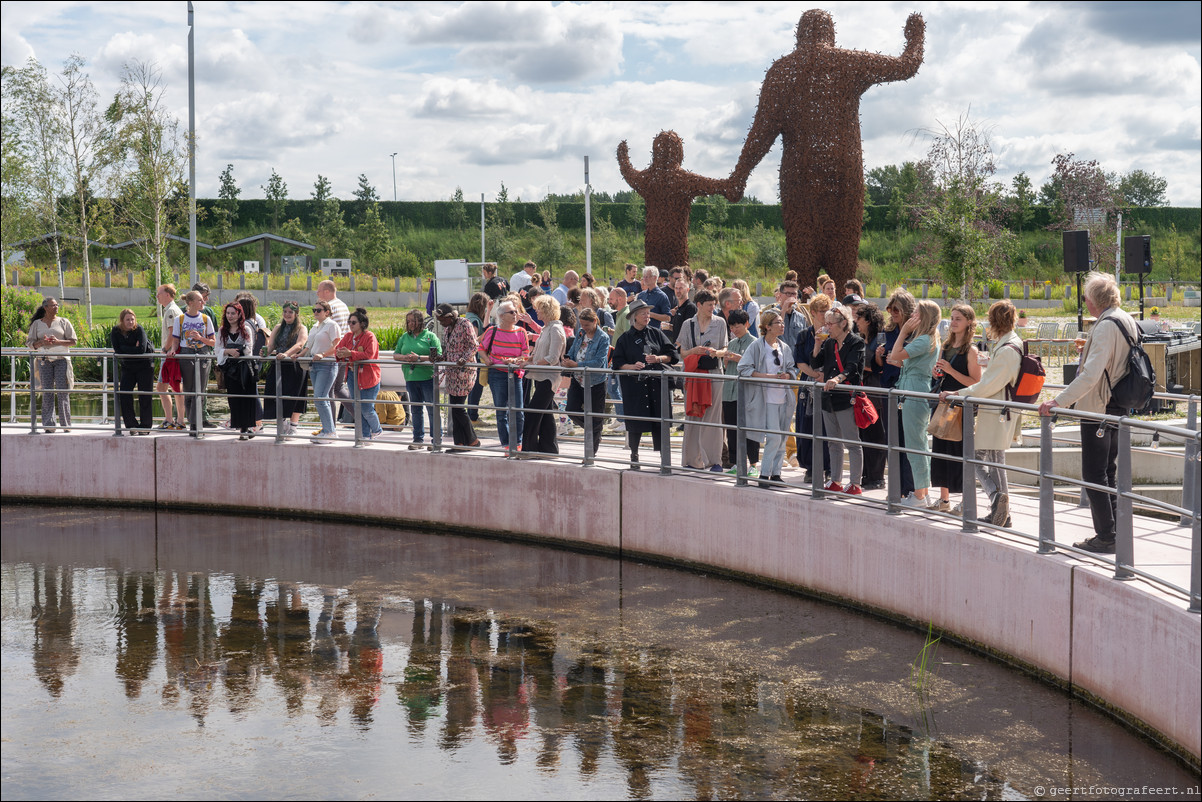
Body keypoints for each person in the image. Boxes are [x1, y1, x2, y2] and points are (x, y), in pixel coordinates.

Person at [730, 8, 924, 288]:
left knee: (802, 273)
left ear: (799, 34)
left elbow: (761, 133)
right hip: (844, 179)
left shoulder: (782, 71)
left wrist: (739, 176)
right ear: (831, 32)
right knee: (844, 274)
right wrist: (915, 33)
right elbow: (907, 66)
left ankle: (802, 322)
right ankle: (845, 317)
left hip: (800, 181)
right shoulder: (848, 63)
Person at [1039, 272, 1139, 554]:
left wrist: (1057, 401)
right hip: (1117, 404)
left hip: (1099, 406)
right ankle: (1117, 531)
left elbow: (1092, 375)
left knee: (1094, 473)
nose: (1084, 301)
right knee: (1108, 469)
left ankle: (1107, 536)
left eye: (1085, 297)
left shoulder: (1106, 326)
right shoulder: (1125, 318)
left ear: (1095, 300)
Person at [942, 300, 1022, 527]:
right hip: (1000, 410)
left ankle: (997, 499)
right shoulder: (1012, 343)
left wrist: (957, 393)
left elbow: (988, 385)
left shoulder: (1007, 348)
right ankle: (1002, 512)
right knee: (996, 462)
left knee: (977, 459)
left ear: (995, 321)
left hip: (997, 411)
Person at [616, 132, 740, 271]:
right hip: (676, 244)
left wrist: (622, 155)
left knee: (653, 276)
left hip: (653, 244)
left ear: (655, 152)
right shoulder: (684, 179)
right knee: (678, 277)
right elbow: (721, 187)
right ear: (679, 153)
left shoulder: (647, 179)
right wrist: (736, 180)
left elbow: (628, 173)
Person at [611, 297, 680, 467]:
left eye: (648, 313)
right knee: (635, 423)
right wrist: (632, 366)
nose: (647, 316)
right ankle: (634, 455)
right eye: (643, 313)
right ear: (634, 316)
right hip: (635, 387)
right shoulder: (624, 339)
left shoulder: (656, 333)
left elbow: (673, 355)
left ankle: (665, 458)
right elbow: (617, 364)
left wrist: (658, 358)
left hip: (656, 385)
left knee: (661, 422)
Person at [928, 305, 981, 512]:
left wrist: (950, 370)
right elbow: (943, 375)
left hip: (961, 405)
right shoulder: (946, 345)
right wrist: (937, 373)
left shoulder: (971, 350)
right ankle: (944, 499)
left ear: (969, 321)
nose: (953, 322)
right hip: (943, 402)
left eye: (958, 318)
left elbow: (975, 381)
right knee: (940, 451)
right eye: (952, 318)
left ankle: (966, 500)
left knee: (960, 453)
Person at [889, 299, 942, 508]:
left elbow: (895, 355)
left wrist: (902, 332)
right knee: (917, 443)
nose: (912, 317)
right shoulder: (926, 339)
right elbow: (899, 359)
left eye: (916, 314)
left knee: (915, 444)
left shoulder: (923, 340)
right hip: (913, 387)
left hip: (914, 390)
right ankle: (923, 492)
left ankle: (919, 495)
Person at [737, 309, 798, 488]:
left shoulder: (784, 347)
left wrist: (787, 375)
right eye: (778, 322)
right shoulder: (757, 346)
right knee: (774, 437)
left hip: (784, 398)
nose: (782, 325)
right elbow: (744, 368)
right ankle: (765, 474)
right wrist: (767, 377)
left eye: (782, 322)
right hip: (766, 399)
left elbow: (791, 368)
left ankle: (776, 474)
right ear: (768, 327)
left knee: (782, 437)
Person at [810, 305, 866, 494]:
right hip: (828, 396)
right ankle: (835, 480)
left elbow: (852, 367)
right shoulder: (829, 343)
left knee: (852, 441)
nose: (828, 327)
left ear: (843, 323)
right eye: (826, 323)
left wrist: (837, 379)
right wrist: (817, 343)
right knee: (833, 442)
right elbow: (816, 364)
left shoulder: (856, 342)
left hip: (846, 396)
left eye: (830, 324)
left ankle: (855, 483)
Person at [676, 289, 729, 471]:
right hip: (693, 375)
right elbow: (682, 352)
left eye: (714, 305)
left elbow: (725, 348)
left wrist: (716, 353)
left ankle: (714, 461)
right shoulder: (687, 324)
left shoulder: (720, 322)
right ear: (699, 305)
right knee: (693, 415)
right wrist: (694, 351)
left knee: (713, 418)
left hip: (714, 372)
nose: (712, 308)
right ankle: (692, 459)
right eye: (709, 305)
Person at [877, 289, 917, 497]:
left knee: (907, 440)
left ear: (906, 310)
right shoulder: (890, 331)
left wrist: (898, 361)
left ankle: (908, 488)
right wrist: (880, 355)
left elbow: (914, 363)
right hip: (889, 389)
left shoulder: (916, 334)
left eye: (896, 309)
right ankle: (895, 487)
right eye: (890, 309)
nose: (892, 313)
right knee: (892, 440)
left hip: (907, 390)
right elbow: (882, 364)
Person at [479, 300, 531, 451]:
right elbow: (481, 348)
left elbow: (526, 353)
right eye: (512, 312)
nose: (515, 314)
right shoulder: (492, 331)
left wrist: (515, 360)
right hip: (497, 373)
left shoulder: (521, 331)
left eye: (515, 311)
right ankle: (507, 444)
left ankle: (518, 443)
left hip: (515, 373)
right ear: (501, 316)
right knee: (501, 411)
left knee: (518, 411)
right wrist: (488, 360)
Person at [520, 295, 567, 456]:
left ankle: (529, 448)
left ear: (546, 310)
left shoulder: (555, 329)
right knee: (545, 415)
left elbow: (553, 358)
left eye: (538, 309)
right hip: (540, 376)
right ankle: (549, 448)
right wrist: (527, 359)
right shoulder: (547, 328)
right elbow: (540, 353)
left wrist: (530, 363)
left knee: (533, 413)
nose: (536, 312)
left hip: (549, 377)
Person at [563, 307, 611, 455]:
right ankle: (595, 431)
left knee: (596, 417)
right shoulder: (580, 333)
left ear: (595, 321)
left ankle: (590, 453)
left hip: (596, 381)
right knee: (571, 410)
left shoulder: (603, 338)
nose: (584, 328)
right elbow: (573, 351)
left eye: (587, 325)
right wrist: (568, 359)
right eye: (582, 324)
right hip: (578, 379)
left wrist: (577, 365)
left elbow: (598, 362)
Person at [393, 308, 443, 450]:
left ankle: (436, 441)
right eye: (408, 321)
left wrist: (419, 358)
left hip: (427, 377)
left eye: (413, 321)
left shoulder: (430, 336)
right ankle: (418, 439)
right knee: (416, 409)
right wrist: (406, 358)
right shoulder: (404, 337)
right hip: (411, 377)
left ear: (419, 321)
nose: (410, 324)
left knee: (432, 409)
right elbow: (396, 354)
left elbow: (438, 356)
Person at [26, 297, 77, 432]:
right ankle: (49, 425)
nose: (56, 307)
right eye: (53, 305)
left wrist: (57, 342)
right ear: (45, 308)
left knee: (62, 391)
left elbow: (73, 341)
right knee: (47, 391)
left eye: (57, 305)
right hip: (44, 360)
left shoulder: (64, 322)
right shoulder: (37, 324)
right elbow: (30, 343)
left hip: (61, 359)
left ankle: (66, 425)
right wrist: (42, 343)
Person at [435, 303, 480, 451]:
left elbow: (474, 346)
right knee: (454, 407)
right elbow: (449, 350)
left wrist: (464, 359)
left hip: (464, 371)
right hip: (452, 372)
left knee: (458, 407)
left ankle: (472, 440)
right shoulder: (448, 328)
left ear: (450, 317)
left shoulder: (465, 324)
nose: (441, 323)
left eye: (442, 320)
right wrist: (441, 357)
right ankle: (459, 443)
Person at [721, 309, 760, 477]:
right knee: (732, 429)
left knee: (749, 429)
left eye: (738, 326)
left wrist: (738, 358)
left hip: (746, 393)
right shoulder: (731, 343)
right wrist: (725, 359)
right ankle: (736, 462)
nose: (735, 329)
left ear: (747, 325)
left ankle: (753, 464)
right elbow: (727, 367)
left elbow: (757, 367)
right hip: (729, 391)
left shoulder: (755, 343)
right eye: (732, 326)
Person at [335, 308, 384, 441]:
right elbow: (338, 349)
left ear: (362, 324)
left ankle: (377, 429)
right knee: (358, 406)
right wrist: (340, 353)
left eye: (353, 322)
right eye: (349, 322)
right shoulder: (348, 337)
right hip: (352, 376)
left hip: (368, 377)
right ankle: (365, 435)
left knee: (366, 407)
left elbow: (369, 354)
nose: (350, 325)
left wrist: (350, 354)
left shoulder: (369, 336)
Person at [853, 303, 888, 489]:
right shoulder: (860, 339)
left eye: (859, 318)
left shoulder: (879, 341)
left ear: (868, 320)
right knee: (863, 436)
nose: (856, 321)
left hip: (875, 393)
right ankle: (866, 475)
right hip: (862, 392)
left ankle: (877, 477)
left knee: (876, 437)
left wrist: (859, 367)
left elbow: (880, 367)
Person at [171, 290, 216, 431]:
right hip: (186, 354)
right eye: (199, 300)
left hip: (202, 353)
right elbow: (176, 339)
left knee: (200, 390)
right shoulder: (180, 319)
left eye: (202, 300)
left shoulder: (205, 319)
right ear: (190, 303)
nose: (203, 302)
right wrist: (173, 350)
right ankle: (193, 422)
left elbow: (213, 342)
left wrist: (200, 338)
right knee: (189, 390)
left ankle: (197, 422)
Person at [263, 301, 310, 436]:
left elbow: (300, 344)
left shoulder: (302, 328)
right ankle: (283, 423)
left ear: (296, 314)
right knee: (273, 393)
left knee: (294, 395)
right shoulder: (278, 327)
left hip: (293, 365)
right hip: (278, 364)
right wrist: (265, 352)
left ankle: (293, 426)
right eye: (285, 312)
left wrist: (286, 354)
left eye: (290, 312)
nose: (287, 314)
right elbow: (271, 345)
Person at [216, 301, 258, 440]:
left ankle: (246, 429)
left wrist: (237, 351)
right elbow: (217, 350)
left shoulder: (245, 329)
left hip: (244, 368)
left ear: (239, 314)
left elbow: (249, 348)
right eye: (228, 313)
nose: (230, 316)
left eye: (233, 313)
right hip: (230, 370)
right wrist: (228, 351)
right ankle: (240, 426)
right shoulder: (222, 330)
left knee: (246, 398)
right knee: (233, 399)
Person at [111, 309, 154, 434]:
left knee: (145, 395)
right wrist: (129, 348)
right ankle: (131, 425)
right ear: (122, 321)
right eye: (127, 320)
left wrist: (125, 348)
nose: (130, 322)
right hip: (128, 367)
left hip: (144, 366)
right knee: (124, 394)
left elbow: (141, 349)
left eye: (132, 319)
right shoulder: (116, 331)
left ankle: (145, 426)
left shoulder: (139, 330)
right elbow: (117, 350)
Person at [305, 300, 342, 441]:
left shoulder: (332, 325)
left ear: (327, 312)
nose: (315, 312)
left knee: (320, 397)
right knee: (320, 398)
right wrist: (299, 355)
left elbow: (337, 345)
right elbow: (309, 347)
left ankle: (330, 431)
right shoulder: (315, 326)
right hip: (314, 365)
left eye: (319, 310)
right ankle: (327, 429)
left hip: (327, 365)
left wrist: (324, 354)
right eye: (314, 310)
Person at [154, 284, 186, 430]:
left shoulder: (171, 311)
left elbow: (173, 333)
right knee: (173, 387)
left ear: (167, 294)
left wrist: (165, 349)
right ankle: (177, 420)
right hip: (173, 354)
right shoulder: (172, 310)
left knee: (165, 386)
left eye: (159, 293)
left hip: (169, 355)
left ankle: (172, 420)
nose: (157, 296)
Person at [465, 292, 491, 420]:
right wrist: (488, 333)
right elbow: (474, 340)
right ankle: (473, 416)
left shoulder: (469, 316)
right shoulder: (474, 320)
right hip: (475, 358)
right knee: (476, 388)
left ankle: (472, 415)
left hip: (471, 358)